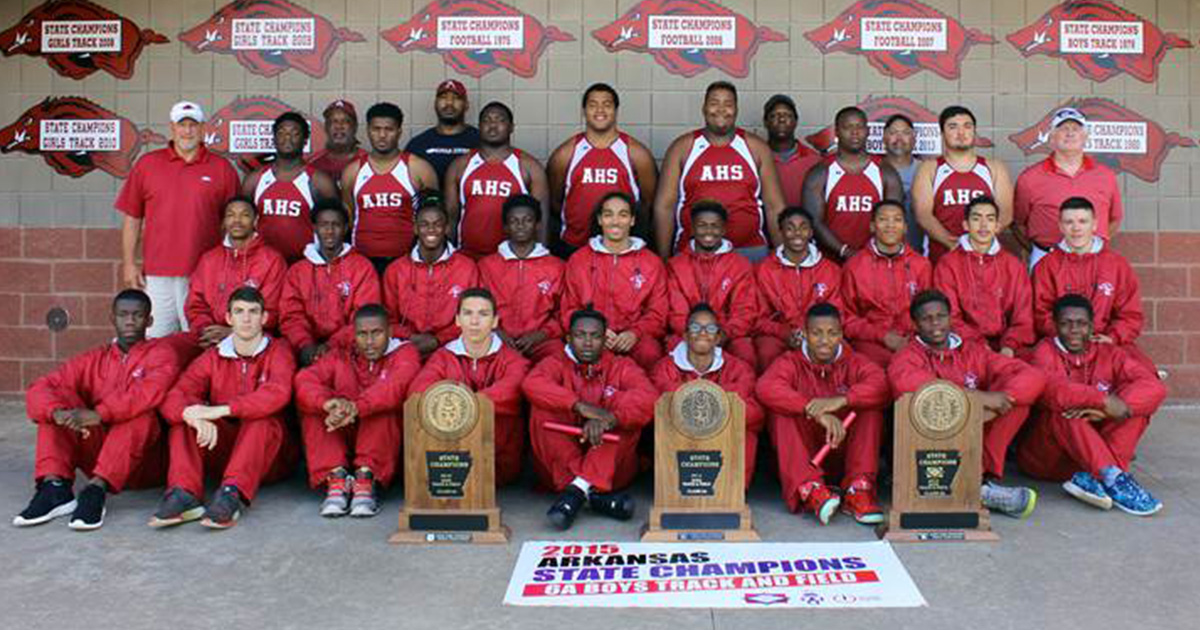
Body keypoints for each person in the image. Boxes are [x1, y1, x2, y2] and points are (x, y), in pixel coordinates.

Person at [14, 290, 179, 531]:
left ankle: (95, 491)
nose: (130, 321)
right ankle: (55, 488)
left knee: (142, 414)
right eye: (123, 315)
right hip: (100, 455)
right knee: (57, 402)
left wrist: (98, 414)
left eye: (138, 315)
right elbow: (41, 387)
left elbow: (146, 395)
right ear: (112, 319)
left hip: (145, 462)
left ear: (149, 321)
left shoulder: (162, 354)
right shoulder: (94, 358)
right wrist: (57, 413)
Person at [888, 290, 1045, 518]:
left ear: (951, 318)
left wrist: (993, 408)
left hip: (973, 439)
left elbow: (1032, 376)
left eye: (941, 316)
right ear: (915, 324)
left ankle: (978, 483)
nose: (935, 324)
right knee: (929, 406)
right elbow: (912, 387)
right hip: (929, 444)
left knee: (1017, 403)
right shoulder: (907, 355)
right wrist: (979, 400)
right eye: (926, 318)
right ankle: (975, 490)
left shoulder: (973, 350)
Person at [153, 287, 297, 530]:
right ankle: (184, 493)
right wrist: (191, 415)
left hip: (269, 458)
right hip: (225, 451)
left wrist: (219, 410)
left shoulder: (279, 351)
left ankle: (232, 494)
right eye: (239, 312)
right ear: (228, 318)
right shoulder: (214, 355)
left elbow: (276, 394)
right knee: (184, 421)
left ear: (264, 318)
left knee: (261, 419)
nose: (247, 318)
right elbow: (176, 394)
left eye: (253, 312)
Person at [1016, 295, 1166, 516]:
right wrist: (1103, 401)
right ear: (1055, 325)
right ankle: (1113, 477)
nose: (1074, 330)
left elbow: (1154, 387)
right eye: (1066, 324)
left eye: (1082, 324)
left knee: (1135, 411)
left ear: (1092, 326)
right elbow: (1054, 390)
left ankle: (1101, 476)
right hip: (1048, 459)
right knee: (1065, 412)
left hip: (1090, 457)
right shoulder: (1044, 351)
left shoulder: (1109, 352)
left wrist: (1114, 409)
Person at [523, 308, 658, 531]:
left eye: (595, 336)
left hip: (614, 468)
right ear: (568, 338)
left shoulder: (621, 365)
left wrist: (610, 419)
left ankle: (575, 492)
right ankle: (590, 494)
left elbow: (648, 398)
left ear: (605, 339)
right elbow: (531, 384)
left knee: (625, 411)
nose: (587, 342)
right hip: (559, 468)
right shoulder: (555, 363)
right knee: (542, 409)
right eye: (580, 335)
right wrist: (580, 406)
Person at [756, 303, 889, 525]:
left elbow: (882, 385)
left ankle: (858, 490)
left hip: (845, 453)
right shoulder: (791, 361)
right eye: (816, 333)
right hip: (806, 457)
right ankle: (811, 491)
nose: (825, 341)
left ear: (841, 334)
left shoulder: (854, 361)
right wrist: (813, 410)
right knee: (781, 413)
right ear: (805, 334)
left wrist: (842, 400)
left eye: (832, 333)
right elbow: (766, 387)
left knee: (870, 409)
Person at [117, 100, 240, 337]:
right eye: (182, 125)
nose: (187, 131)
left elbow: (235, 223)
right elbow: (133, 217)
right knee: (156, 342)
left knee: (200, 341)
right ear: (172, 128)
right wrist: (129, 263)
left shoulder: (222, 169)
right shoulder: (147, 165)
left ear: (203, 128)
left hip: (204, 276)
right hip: (156, 275)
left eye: (193, 125)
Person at [294, 304, 420, 517]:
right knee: (313, 409)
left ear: (389, 332)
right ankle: (336, 479)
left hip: (382, 446)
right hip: (342, 430)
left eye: (377, 333)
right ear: (354, 334)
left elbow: (395, 387)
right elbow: (305, 379)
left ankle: (365, 480)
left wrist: (356, 407)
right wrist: (328, 404)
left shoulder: (405, 352)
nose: (369, 342)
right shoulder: (340, 355)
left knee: (384, 408)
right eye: (362, 334)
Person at [409, 288, 530, 486]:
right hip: (448, 454)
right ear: (457, 320)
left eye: (483, 314)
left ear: (495, 321)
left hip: (497, 458)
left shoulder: (512, 359)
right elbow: (419, 389)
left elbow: (512, 389)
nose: (474, 322)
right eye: (467, 313)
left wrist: (460, 403)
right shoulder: (443, 356)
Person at [654, 81, 785, 259]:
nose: (721, 109)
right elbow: (665, 206)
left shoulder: (755, 147)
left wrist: (782, 258)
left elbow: (774, 205)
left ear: (736, 109)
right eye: (714, 103)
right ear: (704, 108)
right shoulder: (683, 147)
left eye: (728, 104)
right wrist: (663, 258)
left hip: (749, 250)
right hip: (693, 252)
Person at [651, 304, 763, 488]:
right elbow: (658, 407)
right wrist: (713, 401)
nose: (703, 333)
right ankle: (675, 489)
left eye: (710, 328)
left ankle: (732, 490)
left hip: (724, 439)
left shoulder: (739, 368)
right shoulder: (664, 367)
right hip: (683, 439)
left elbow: (756, 413)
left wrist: (711, 406)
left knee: (746, 427)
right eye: (695, 327)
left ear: (718, 337)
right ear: (685, 335)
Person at [1032, 197, 1147, 365]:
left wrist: (1112, 337)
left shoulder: (1117, 265)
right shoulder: (1046, 266)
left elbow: (1130, 314)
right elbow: (1040, 312)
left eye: (1082, 221)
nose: (1076, 228)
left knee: (1146, 378)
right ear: (1060, 226)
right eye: (1069, 222)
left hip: (1106, 343)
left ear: (1094, 224)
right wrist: (1068, 337)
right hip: (1060, 344)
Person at [547, 83, 658, 256]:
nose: (600, 110)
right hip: (574, 245)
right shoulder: (565, 153)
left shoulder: (636, 153)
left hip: (622, 247)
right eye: (593, 105)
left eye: (607, 105)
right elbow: (555, 201)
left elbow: (647, 203)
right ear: (584, 111)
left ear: (616, 110)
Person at [561, 191, 667, 371]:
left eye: (623, 215)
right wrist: (596, 332)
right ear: (600, 220)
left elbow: (658, 313)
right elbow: (568, 308)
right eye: (608, 215)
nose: (615, 221)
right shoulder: (579, 260)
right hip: (591, 335)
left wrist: (635, 333)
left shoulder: (652, 263)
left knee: (650, 352)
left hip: (634, 338)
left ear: (632, 220)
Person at [1014, 107, 1123, 267]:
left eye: (1076, 129)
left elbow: (1114, 220)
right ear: (1051, 137)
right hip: (1046, 257)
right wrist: (1039, 250)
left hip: (1094, 259)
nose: (1070, 133)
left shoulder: (1106, 175)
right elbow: (1018, 223)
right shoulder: (1030, 177)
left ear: (1085, 137)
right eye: (1063, 128)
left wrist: (1088, 246)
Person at [279, 198, 381, 367]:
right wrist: (305, 345)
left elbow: (364, 316)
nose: (330, 231)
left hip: (350, 348)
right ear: (315, 228)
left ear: (345, 228)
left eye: (336, 225)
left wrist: (332, 345)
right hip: (306, 351)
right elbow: (291, 316)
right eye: (324, 225)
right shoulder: (298, 271)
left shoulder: (361, 267)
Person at [341, 102, 438, 274]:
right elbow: (348, 218)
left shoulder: (419, 168)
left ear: (399, 131)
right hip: (362, 262)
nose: (382, 135)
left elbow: (435, 216)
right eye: (376, 129)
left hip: (408, 262)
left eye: (389, 129)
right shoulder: (352, 171)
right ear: (368, 131)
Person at [445, 101, 549, 260]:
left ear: (511, 127)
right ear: (479, 126)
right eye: (487, 120)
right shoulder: (460, 165)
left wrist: (540, 258)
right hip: (467, 256)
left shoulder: (529, 166)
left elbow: (541, 218)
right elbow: (451, 217)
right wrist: (448, 258)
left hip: (511, 259)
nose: (493, 125)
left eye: (500, 120)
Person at [933, 196, 1034, 355]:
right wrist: (978, 344)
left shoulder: (1013, 265)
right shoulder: (948, 264)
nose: (983, 225)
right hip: (963, 346)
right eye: (976, 218)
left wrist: (1009, 346)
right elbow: (950, 316)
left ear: (997, 226)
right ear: (966, 225)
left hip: (1009, 348)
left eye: (990, 219)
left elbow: (1024, 318)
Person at [912, 106, 1013, 263]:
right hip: (942, 254)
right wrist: (953, 243)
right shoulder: (929, 168)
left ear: (974, 131)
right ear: (942, 132)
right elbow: (923, 215)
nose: (961, 133)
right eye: (953, 127)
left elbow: (1006, 213)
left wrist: (978, 243)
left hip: (985, 255)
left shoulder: (994, 167)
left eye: (967, 126)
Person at [382, 196, 479, 360]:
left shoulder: (466, 267)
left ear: (447, 228)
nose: (431, 229)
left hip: (453, 346)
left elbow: (472, 316)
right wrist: (410, 338)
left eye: (437, 224)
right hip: (407, 344)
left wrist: (438, 340)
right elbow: (387, 317)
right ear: (415, 228)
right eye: (424, 224)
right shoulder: (396, 270)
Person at [184, 196, 287, 348]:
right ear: (224, 222)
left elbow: (271, 311)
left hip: (254, 341)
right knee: (167, 352)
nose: (237, 221)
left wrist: (234, 332)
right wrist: (207, 329)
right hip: (208, 338)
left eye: (244, 215)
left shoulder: (272, 260)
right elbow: (195, 304)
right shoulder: (209, 259)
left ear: (255, 221)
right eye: (231, 215)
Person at [665, 201, 760, 367]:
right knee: (672, 345)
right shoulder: (676, 265)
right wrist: (696, 334)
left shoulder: (740, 265)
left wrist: (722, 335)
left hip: (726, 334)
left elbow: (745, 310)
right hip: (689, 333)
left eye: (715, 226)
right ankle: (681, 392)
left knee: (744, 349)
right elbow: (676, 312)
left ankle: (739, 393)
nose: (709, 231)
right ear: (692, 229)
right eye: (702, 225)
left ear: (724, 230)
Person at [804, 106, 903, 262]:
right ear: (836, 132)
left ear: (867, 131)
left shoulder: (885, 172)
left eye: (859, 127)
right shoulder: (821, 172)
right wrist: (845, 251)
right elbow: (814, 222)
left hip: (875, 261)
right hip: (830, 261)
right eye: (847, 127)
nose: (855, 132)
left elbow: (894, 221)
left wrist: (869, 254)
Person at [841, 200, 932, 366]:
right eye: (883, 219)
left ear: (905, 227)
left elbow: (928, 311)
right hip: (870, 342)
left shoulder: (921, 265)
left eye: (897, 219)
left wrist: (910, 338)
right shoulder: (854, 266)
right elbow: (847, 319)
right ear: (872, 226)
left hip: (912, 340)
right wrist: (882, 336)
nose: (890, 225)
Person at [478, 194, 565, 363]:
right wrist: (496, 331)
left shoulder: (557, 267)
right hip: (498, 338)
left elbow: (563, 312)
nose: (520, 226)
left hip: (542, 341)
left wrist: (542, 334)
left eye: (527, 220)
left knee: (559, 362)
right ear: (505, 226)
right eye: (514, 221)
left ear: (537, 225)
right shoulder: (487, 266)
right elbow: (478, 306)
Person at [754, 207, 843, 373]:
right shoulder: (763, 270)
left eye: (803, 228)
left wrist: (812, 333)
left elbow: (837, 312)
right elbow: (758, 318)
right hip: (780, 334)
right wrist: (785, 333)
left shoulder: (830, 270)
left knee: (845, 352)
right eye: (790, 228)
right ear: (781, 232)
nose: (797, 233)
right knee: (767, 350)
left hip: (821, 332)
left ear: (810, 232)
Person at [243, 112, 338, 263]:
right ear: (274, 139)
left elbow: (336, 226)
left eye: (294, 133)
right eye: (282, 133)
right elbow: (242, 222)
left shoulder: (319, 181)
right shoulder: (254, 180)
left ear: (305, 140)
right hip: (262, 263)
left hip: (306, 263)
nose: (287, 138)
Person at [404, 79, 480, 182]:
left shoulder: (480, 141)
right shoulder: (418, 144)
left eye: (456, 98)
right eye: (443, 98)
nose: (449, 103)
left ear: (466, 105)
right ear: (435, 104)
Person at [764, 94, 821, 209]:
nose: (781, 119)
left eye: (787, 115)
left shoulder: (814, 160)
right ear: (765, 122)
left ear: (796, 121)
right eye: (774, 115)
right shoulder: (755, 157)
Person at [881, 114, 925, 251]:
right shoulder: (874, 169)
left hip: (919, 251)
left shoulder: (926, 171)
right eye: (893, 133)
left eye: (906, 133)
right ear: (884, 138)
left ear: (914, 138)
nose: (899, 138)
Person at [307, 99, 368, 185]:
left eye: (345, 121)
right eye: (334, 121)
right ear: (326, 127)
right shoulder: (312, 163)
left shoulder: (368, 162)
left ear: (355, 127)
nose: (339, 126)